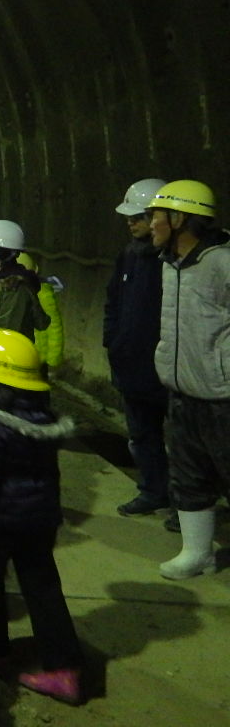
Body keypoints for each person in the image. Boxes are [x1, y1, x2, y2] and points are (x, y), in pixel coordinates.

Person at [0, 329, 85, 705]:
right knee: (44, 589)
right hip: (41, 520)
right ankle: (64, 669)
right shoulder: (45, 417)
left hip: (1, 521)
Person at [148, 180, 229, 580]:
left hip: (222, 397)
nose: (150, 224)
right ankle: (198, 554)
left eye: (156, 216)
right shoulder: (169, 264)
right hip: (182, 392)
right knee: (189, 476)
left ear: (180, 219)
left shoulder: (221, 262)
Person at [103, 178, 171, 517]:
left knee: (186, 442)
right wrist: (112, 342)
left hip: (168, 369)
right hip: (132, 365)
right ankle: (153, 490)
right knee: (142, 435)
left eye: (138, 216)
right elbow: (113, 301)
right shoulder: (128, 256)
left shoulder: (173, 259)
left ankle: (188, 504)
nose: (131, 222)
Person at [16, 253, 63, 370]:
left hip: (38, 359)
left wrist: (52, 360)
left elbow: (54, 326)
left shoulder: (43, 294)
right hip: (21, 354)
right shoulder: (14, 293)